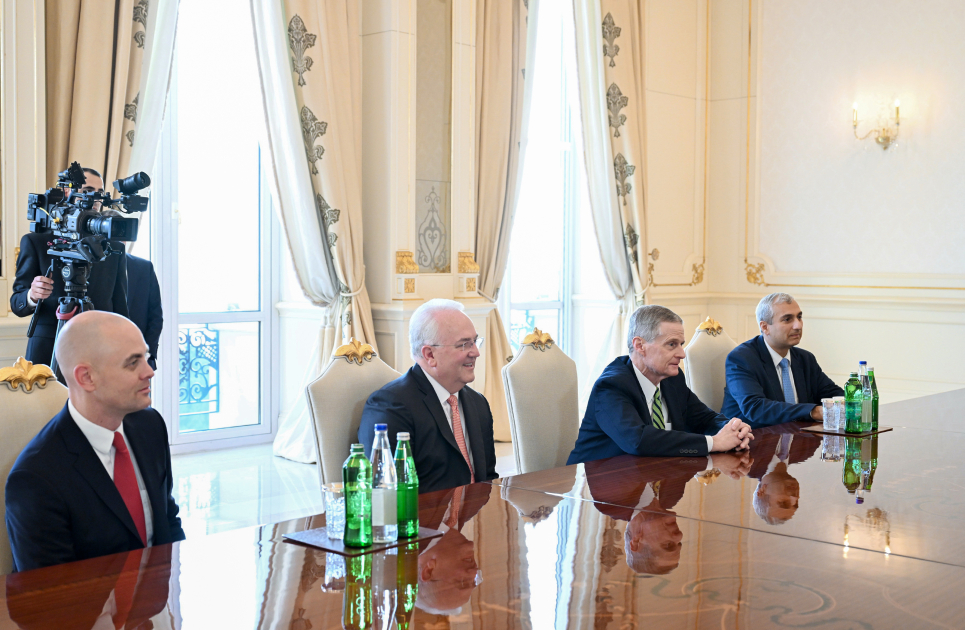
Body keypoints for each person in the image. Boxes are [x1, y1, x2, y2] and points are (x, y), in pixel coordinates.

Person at [5, 311, 185, 572]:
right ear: (86, 378)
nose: (149, 372)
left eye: (145, 357)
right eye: (132, 363)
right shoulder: (35, 478)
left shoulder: (150, 426)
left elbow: (167, 520)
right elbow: (51, 590)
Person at [567, 305, 753, 465]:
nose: (682, 354)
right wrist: (714, 443)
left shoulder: (672, 378)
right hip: (597, 485)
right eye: (671, 344)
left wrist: (733, 429)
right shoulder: (611, 386)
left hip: (656, 477)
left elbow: (703, 418)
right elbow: (638, 441)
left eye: (681, 344)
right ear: (639, 345)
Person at [359, 299, 498, 494]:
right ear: (430, 355)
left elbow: (488, 480)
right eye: (464, 345)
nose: (475, 352)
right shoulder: (391, 407)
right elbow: (387, 493)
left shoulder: (478, 403)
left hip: (476, 512)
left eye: (475, 342)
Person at [9, 167, 129, 367]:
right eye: (88, 190)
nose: (95, 198)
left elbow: (120, 307)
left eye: (99, 192)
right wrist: (32, 295)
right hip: (48, 350)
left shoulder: (114, 247)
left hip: (100, 349)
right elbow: (17, 303)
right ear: (67, 192)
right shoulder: (36, 241)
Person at [721, 292, 844, 427]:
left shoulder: (805, 359)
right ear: (765, 327)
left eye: (799, 317)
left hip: (797, 435)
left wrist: (855, 402)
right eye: (787, 319)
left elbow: (833, 394)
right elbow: (756, 407)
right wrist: (813, 411)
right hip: (752, 436)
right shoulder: (742, 358)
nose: (798, 326)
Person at [749, 431, 819, 525]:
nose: (794, 497)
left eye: (784, 503)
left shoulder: (748, 460)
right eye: (796, 503)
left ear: (762, 492)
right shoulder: (806, 451)